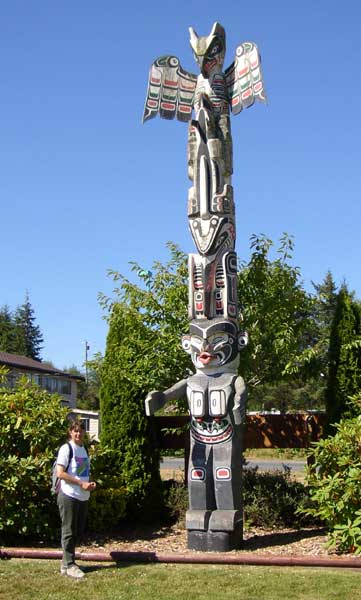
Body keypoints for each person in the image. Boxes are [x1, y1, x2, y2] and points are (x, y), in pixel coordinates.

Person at [56, 419, 96, 579]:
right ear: (70, 433)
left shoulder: (83, 449)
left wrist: (89, 484)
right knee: (69, 530)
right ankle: (70, 564)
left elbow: (81, 473)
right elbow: (61, 473)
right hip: (68, 495)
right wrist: (80, 483)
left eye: (80, 431)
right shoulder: (66, 449)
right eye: (75, 431)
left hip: (82, 496)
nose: (78, 434)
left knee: (78, 530)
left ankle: (66, 563)